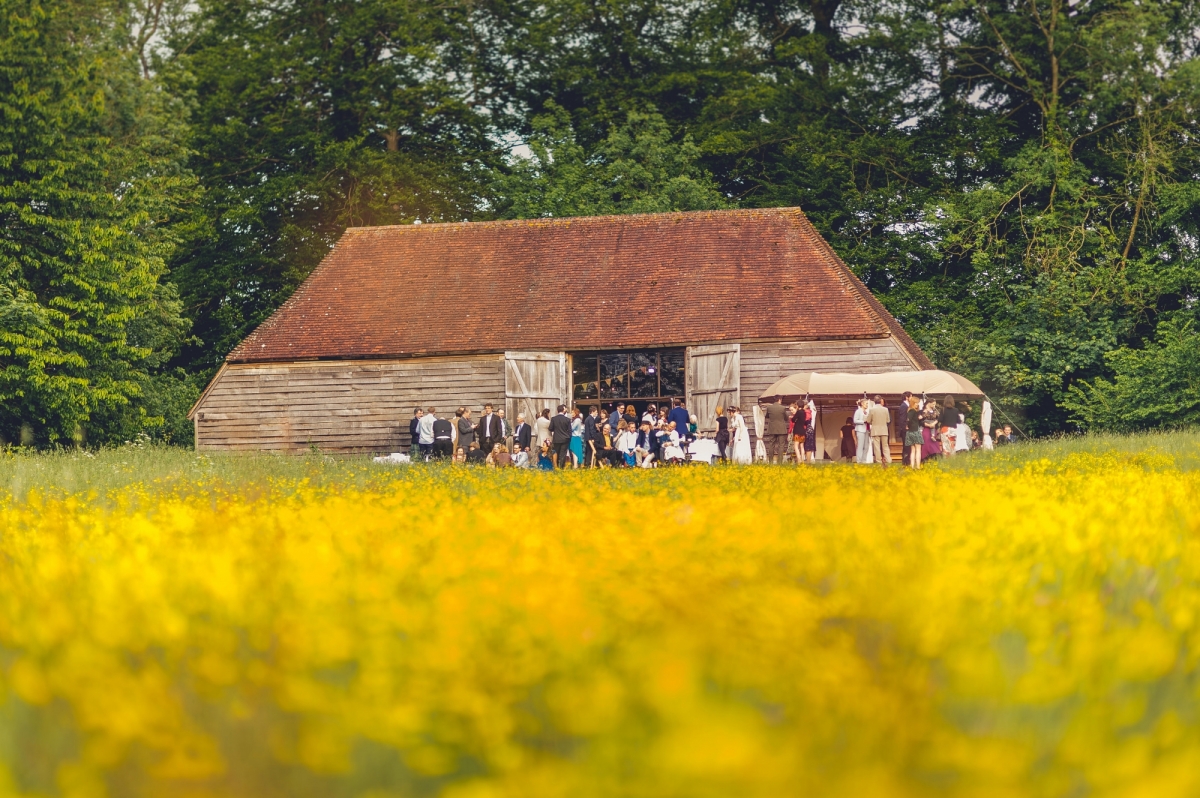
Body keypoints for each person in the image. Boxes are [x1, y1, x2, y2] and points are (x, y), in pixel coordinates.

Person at [763, 399, 789, 464]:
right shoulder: (782, 408)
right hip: (781, 429)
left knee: (771, 444)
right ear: (779, 400)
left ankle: (771, 461)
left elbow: (767, 416)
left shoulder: (769, 408)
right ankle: (779, 462)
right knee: (781, 445)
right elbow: (786, 418)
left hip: (772, 428)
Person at [868, 395, 891, 466]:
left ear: (874, 401)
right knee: (885, 446)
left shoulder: (872, 410)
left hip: (875, 430)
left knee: (877, 447)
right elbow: (888, 420)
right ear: (880, 401)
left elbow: (868, 420)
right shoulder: (885, 409)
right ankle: (888, 459)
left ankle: (878, 460)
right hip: (884, 429)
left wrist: (873, 422)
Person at [905, 396, 923, 469]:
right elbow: (908, 420)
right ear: (913, 403)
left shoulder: (909, 410)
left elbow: (908, 420)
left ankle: (912, 466)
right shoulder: (913, 411)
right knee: (918, 450)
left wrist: (907, 426)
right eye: (916, 403)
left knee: (912, 450)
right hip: (915, 431)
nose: (917, 404)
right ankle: (918, 466)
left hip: (910, 432)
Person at [853, 399, 873, 464]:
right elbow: (855, 420)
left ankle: (864, 460)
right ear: (862, 404)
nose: (867, 405)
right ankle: (859, 460)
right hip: (860, 430)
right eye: (866, 403)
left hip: (867, 430)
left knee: (866, 446)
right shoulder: (858, 411)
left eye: (867, 403)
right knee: (860, 446)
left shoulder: (866, 412)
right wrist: (863, 421)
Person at [894, 392, 912, 466]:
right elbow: (902, 419)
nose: (912, 398)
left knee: (908, 446)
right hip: (905, 430)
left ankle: (907, 460)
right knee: (906, 446)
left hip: (908, 429)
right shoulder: (903, 406)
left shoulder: (907, 406)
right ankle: (905, 461)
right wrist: (905, 428)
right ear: (907, 397)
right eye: (911, 397)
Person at [802, 398, 817, 464]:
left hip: (807, 430)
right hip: (809, 429)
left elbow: (806, 420)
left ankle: (808, 461)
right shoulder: (809, 412)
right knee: (808, 446)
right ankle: (807, 461)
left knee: (808, 446)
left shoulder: (807, 412)